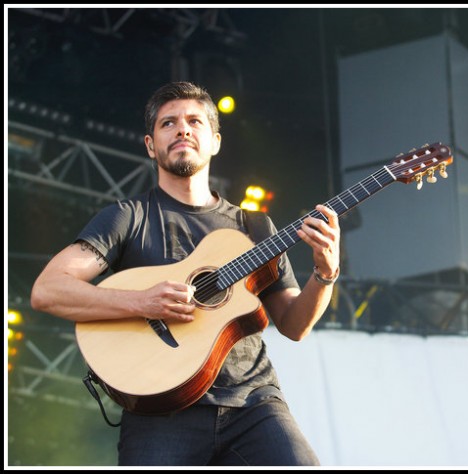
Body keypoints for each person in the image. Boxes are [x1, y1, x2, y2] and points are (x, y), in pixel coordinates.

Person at [30, 81, 340, 466]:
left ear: (215, 141)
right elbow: (48, 290)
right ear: (150, 144)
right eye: (168, 123)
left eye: (195, 121)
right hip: (159, 412)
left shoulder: (256, 228)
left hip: (253, 403)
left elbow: (294, 325)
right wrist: (141, 301)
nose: (183, 129)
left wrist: (325, 273)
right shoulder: (128, 217)